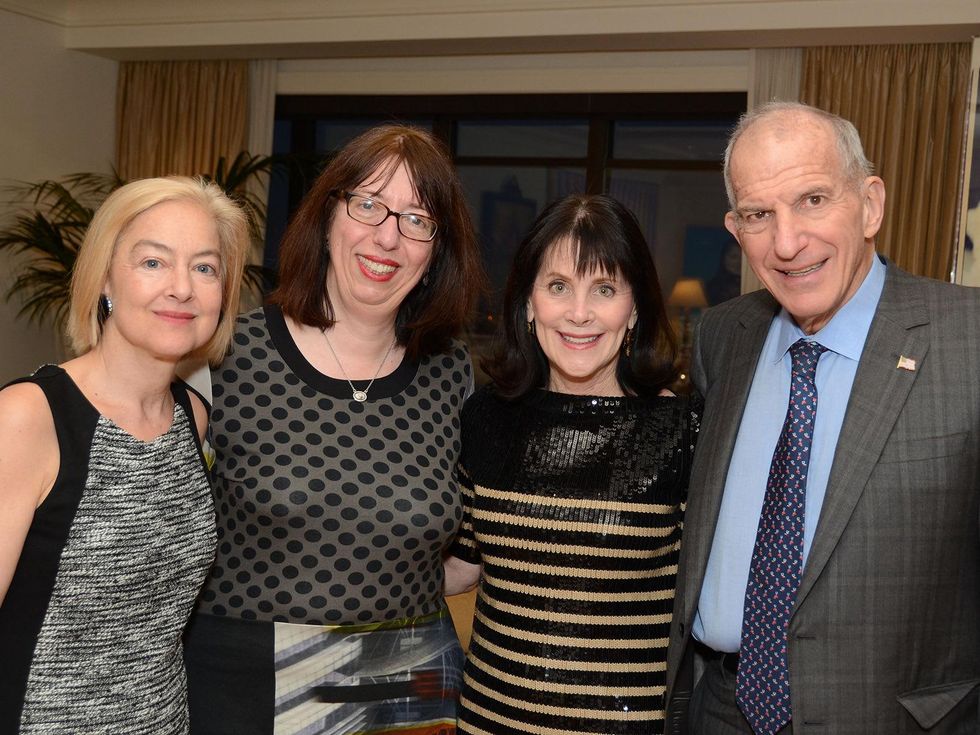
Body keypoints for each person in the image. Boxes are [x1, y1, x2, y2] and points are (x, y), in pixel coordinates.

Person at [665, 101, 980, 734]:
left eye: (812, 200)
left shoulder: (968, 338)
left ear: (870, 204)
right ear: (736, 229)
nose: (786, 243)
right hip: (716, 710)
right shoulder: (724, 335)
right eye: (759, 215)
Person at [184, 124, 485, 734]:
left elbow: (471, 547)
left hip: (409, 685)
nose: (387, 238)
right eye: (369, 204)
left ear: (435, 254)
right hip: (240, 689)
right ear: (327, 217)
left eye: (417, 220)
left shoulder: (453, 374)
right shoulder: (226, 354)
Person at [0, 176, 249, 734]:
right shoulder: (29, 418)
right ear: (106, 277)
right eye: (154, 262)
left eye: (205, 268)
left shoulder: (191, 415)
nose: (182, 288)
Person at [444, 194, 701, 735]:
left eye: (604, 289)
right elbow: (462, 568)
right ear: (529, 302)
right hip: (489, 722)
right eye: (558, 286)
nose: (579, 313)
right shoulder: (486, 417)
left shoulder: (683, 431)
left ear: (633, 308)